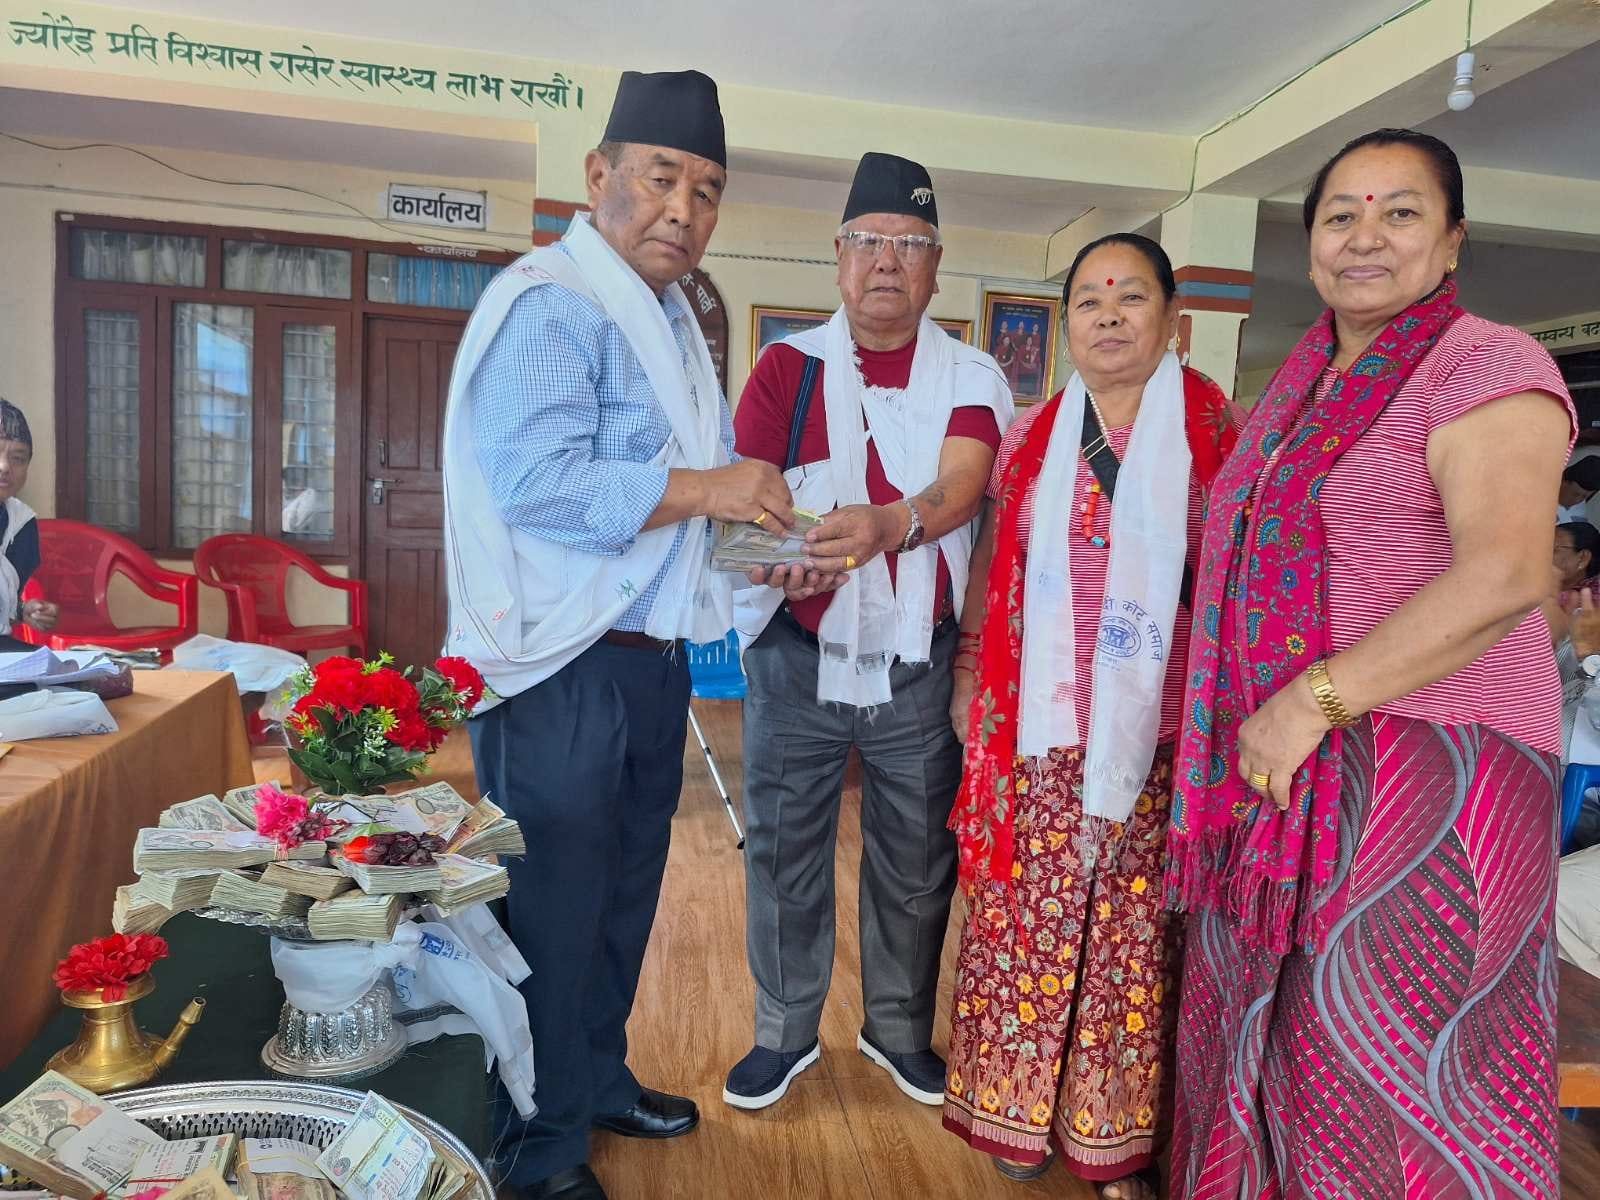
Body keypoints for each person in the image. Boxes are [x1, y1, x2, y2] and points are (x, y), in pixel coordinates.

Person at [1165, 128, 1573, 1199]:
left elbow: (1506, 572)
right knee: (1282, 1046)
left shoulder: (1487, 362)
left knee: (1382, 1073)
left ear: (1453, 241)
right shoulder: (1298, 389)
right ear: (1310, 244)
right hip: (1290, 769)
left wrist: (1310, 702)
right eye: (1340, 214)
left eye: (1401, 212)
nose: (1364, 237)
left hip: (1429, 778)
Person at [440, 70, 794, 1200]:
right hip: (559, 667)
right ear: (598, 177)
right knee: (551, 912)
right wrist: (716, 489)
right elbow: (541, 483)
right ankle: (536, 1148)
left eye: (707, 189)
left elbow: (681, 504)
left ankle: (591, 1081)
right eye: (661, 178)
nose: (684, 209)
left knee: (620, 901)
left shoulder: (670, 319)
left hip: (646, 663)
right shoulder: (554, 302)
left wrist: (776, 544)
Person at [940, 233, 1236, 1198]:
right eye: (1090, 301)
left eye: (1132, 297)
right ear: (1067, 323)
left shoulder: (1216, 432)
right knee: (1024, 921)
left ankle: (1113, 1143)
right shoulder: (1031, 436)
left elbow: (1241, 583)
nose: (1110, 316)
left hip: (1163, 736)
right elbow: (994, 566)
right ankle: (1013, 1113)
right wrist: (970, 672)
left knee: (1131, 939)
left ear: (1172, 319)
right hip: (1040, 728)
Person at [724, 152, 1012, 1112]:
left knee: (917, 859)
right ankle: (783, 1032)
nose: (887, 261)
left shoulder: (971, 375)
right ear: (839, 257)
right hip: (795, 659)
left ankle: (896, 1031)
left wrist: (888, 524)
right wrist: (774, 559)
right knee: (782, 852)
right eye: (869, 241)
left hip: (919, 667)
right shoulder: (788, 368)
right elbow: (748, 512)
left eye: (910, 244)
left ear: (936, 267)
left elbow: (962, 485)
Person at [0, 400, 58, 651]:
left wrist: (25, 611)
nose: (4, 467)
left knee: (95, 672)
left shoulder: (20, 524)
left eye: (18, 458)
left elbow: (6, 610)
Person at [1559, 457, 1600, 522]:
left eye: (1584, 497)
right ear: (1563, 481)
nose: (1577, 501)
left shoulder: (1578, 517)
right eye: (1575, 494)